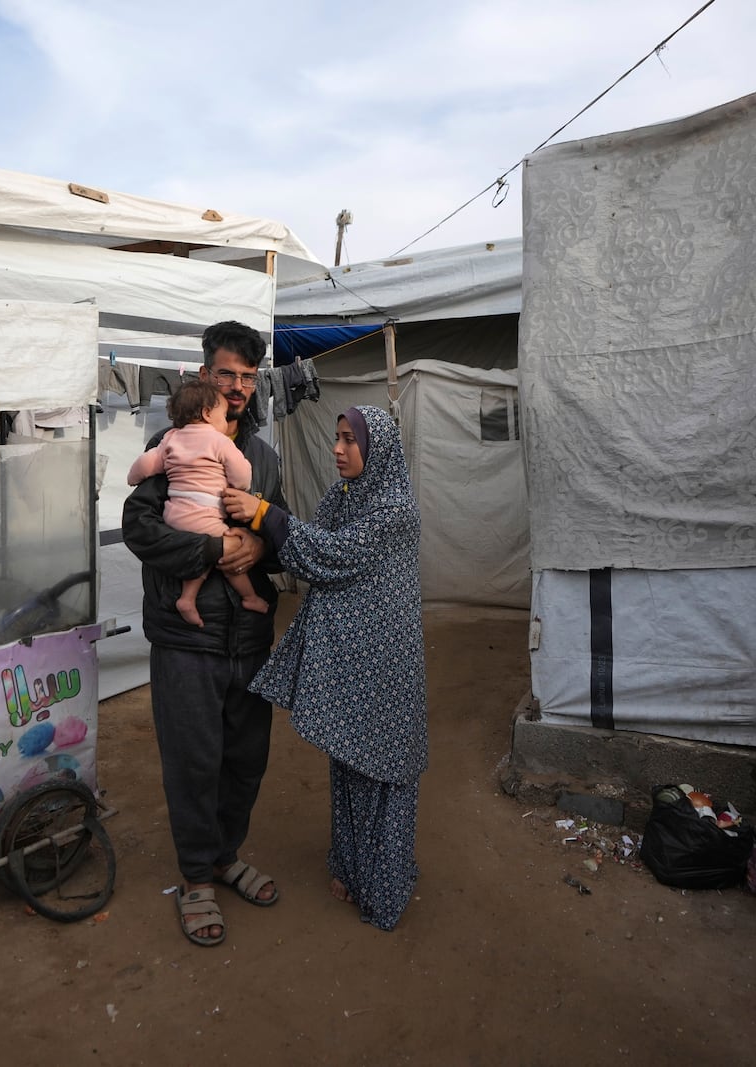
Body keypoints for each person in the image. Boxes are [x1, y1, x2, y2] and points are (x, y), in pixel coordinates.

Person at [222, 404, 428, 931]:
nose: (337, 450)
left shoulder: (395, 511)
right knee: (348, 761)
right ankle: (350, 867)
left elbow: (332, 555)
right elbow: (303, 551)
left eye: (348, 441)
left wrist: (265, 515)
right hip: (350, 665)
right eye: (336, 439)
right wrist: (258, 540)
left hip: (385, 666)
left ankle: (383, 879)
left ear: (375, 449)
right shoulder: (343, 497)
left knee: (383, 771)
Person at [122, 320, 288, 947]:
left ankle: (225, 855)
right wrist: (214, 546)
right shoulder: (174, 444)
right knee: (194, 760)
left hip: (247, 635)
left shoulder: (263, 459)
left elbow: (286, 534)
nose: (238, 386)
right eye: (227, 374)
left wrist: (258, 542)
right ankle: (196, 877)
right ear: (204, 375)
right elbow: (140, 529)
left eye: (248, 377)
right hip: (185, 636)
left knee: (245, 758)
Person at [126, 379, 269, 627]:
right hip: (204, 513)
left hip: (175, 515)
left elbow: (146, 464)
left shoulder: (170, 438)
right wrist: (241, 487)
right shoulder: (219, 441)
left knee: (202, 554)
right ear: (206, 413)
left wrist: (132, 478)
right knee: (231, 550)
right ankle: (250, 596)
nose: (225, 422)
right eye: (222, 416)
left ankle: (187, 598)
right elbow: (241, 473)